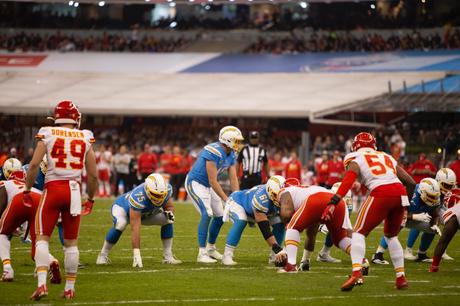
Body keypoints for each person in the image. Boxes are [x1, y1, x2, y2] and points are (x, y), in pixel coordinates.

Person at [322, 132, 415, 291]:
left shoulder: (356, 159)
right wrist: (407, 206)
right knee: (391, 237)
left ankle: (357, 272)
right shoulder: (386, 157)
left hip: (381, 192)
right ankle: (401, 278)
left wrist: (333, 202)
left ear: (355, 146)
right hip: (399, 192)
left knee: (358, 232)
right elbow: (411, 182)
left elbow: (347, 182)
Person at [25, 101, 98, 300]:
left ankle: (41, 285)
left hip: (53, 189)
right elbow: (93, 175)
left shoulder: (48, 132)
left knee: (41, 238)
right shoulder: (84, 135)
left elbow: (33, 166)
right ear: (75, 117)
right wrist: (91, 198)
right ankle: (69, 288)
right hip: (74, 190)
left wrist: (27, 189)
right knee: (71, 243)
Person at [96, 173, 181, 266]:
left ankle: (167, 256)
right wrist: (137, 255)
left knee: (167, 220)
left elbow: (169, 206)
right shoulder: (138, 196)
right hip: (122, 208)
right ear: (147, 189)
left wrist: (169, 213)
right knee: (121, 224)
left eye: (161, 195)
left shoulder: (166, 190)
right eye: (155, 195)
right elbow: (135, 227)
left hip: (144, 213)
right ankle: (102, 255)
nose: (159, 198)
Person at [185, 126, 242, 263]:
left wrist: (237, 198)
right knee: (207, 213)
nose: (238, 144)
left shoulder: (232, 154)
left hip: (209, 185)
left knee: (220, 216)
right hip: (196, 183)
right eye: (236, 141)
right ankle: (201, 253)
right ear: (228, 140)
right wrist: (226, 198)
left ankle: (211, 248)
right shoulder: (213, 151)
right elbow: (212, 180)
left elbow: (233, 178)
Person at [0, 170, 61, 283]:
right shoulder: (34, 188)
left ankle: (7, 269)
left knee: (1, 233)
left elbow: (2, 204)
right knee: (37, 247)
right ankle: (51, 261)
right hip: (39, 200)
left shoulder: (5, 184)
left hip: (21, 199)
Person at [278, 185, 354, 273]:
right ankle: (361, 261)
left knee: (292, 227)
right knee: (340, 238)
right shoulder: (305, 190)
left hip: (316, 199)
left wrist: (283, 250)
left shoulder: (284, 192)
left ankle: (291, 265)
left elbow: (287, 217)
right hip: (337, 201)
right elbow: (349, 232)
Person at [371, 178, 442, 264]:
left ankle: (421, 255)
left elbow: (435, 215)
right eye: (430, 196)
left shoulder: (434, 198)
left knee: (432, 229)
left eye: (434, 196)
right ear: (422, 192)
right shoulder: (410, 194)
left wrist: (434, 224)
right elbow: (397, 213)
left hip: (414, 218)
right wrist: (414, 216)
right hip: (395, 215)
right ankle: (378, 255)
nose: (433, 199)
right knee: (400, 223)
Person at [222, 176, 286, 265]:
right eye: (276, 195)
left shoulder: (281, 194)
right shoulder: (262, 199)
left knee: (280, 224)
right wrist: (277, 248)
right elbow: (265, 230)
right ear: (269, 191)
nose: (279, 198)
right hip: (238, 202)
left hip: (259, 210)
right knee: (241, 221)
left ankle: (274, 257)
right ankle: (227, 255)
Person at [429, 176, 460, 272]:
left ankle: (434, 266)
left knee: (444, 239)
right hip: (454, 211)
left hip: (454, 212)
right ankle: (434, 266)